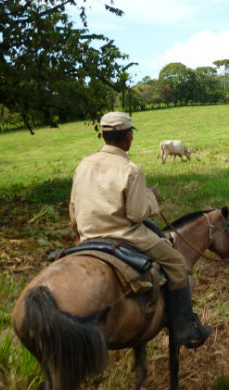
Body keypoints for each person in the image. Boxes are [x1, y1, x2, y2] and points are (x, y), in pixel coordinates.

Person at [69, 111, 212, 348]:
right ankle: (186, 328)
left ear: (104, 136)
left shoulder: (83, 165)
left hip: (87, 236)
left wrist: (81, 232)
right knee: (177, 264)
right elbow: (136, 214)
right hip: (126, 236)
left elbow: (73, 209)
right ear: (128, 137)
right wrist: (150, 198)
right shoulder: (131, 170)